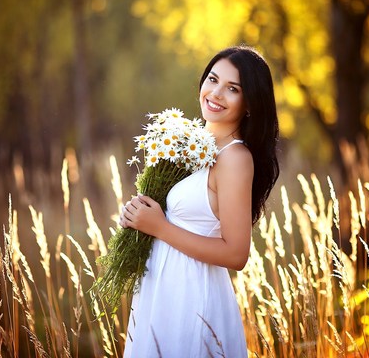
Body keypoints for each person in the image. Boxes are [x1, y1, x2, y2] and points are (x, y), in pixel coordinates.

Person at [120, 45, 279, 357]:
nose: (216, 93)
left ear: (249, 103)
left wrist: (160, 228)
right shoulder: (188, 145)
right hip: (161, 289)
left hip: (192, 295)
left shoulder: (234, 158)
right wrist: (137, 215)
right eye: (213, 79)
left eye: (232, 89)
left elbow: (236, 254)